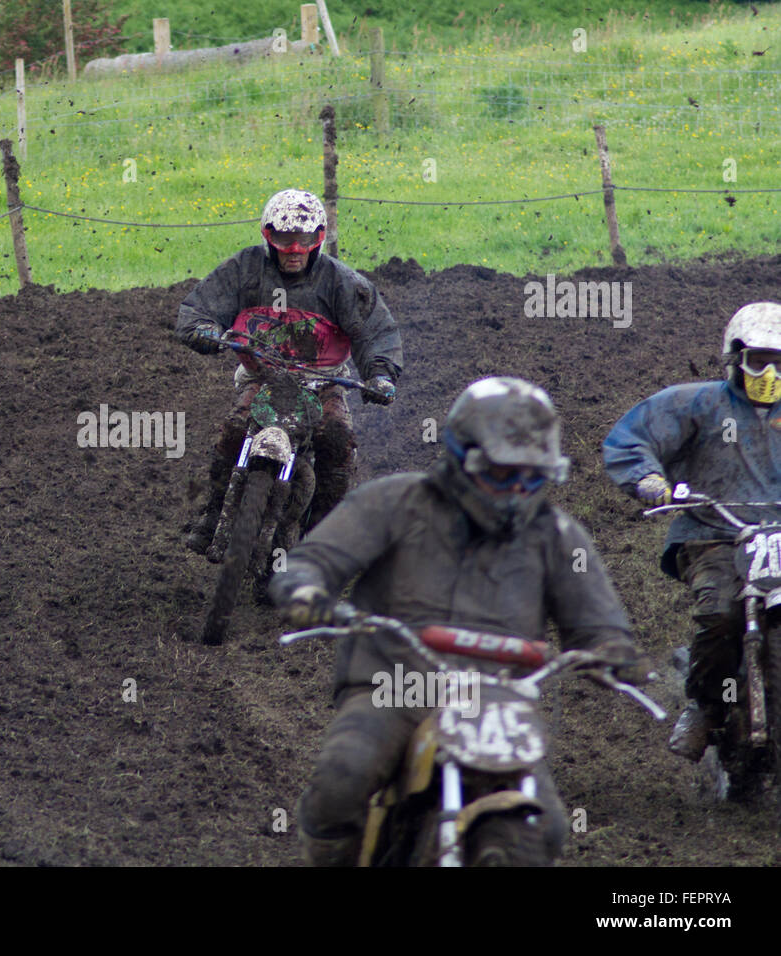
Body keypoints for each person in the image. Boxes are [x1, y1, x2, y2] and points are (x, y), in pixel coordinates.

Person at [269, 377, 650, 866]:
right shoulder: (395, 501)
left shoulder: (556, 534)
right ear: (460, 454)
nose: (516, 491)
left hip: (499, 698)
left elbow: (597, 623)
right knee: (344, 776)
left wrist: (614, 652)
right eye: (501, 473)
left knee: (550, 824)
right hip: (396, 684)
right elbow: (314, 559)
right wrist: (305, 589)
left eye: (531, 477)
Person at [176, 188, 401, 554]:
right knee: (235, 430)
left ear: (319, 239)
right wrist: (204, 331)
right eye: (284, 238)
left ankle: (321, 541)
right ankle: (214, 512)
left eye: (304, 239)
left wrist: (380, 375)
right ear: (268, 235)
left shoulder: (342, 283)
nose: (294, 249)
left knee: (337, 440)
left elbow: (376, 332)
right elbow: (200, 307)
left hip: (323, 382)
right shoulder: (244, 269)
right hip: (261, 376)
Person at [604, 302, 781, 761]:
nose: (770, 372)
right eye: (760, 360)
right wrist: (650, 481)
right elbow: (631, 437)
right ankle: (705, 706)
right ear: (735, 359)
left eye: (780, 362)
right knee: (721, 614)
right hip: (713, 532)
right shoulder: (696, 403)